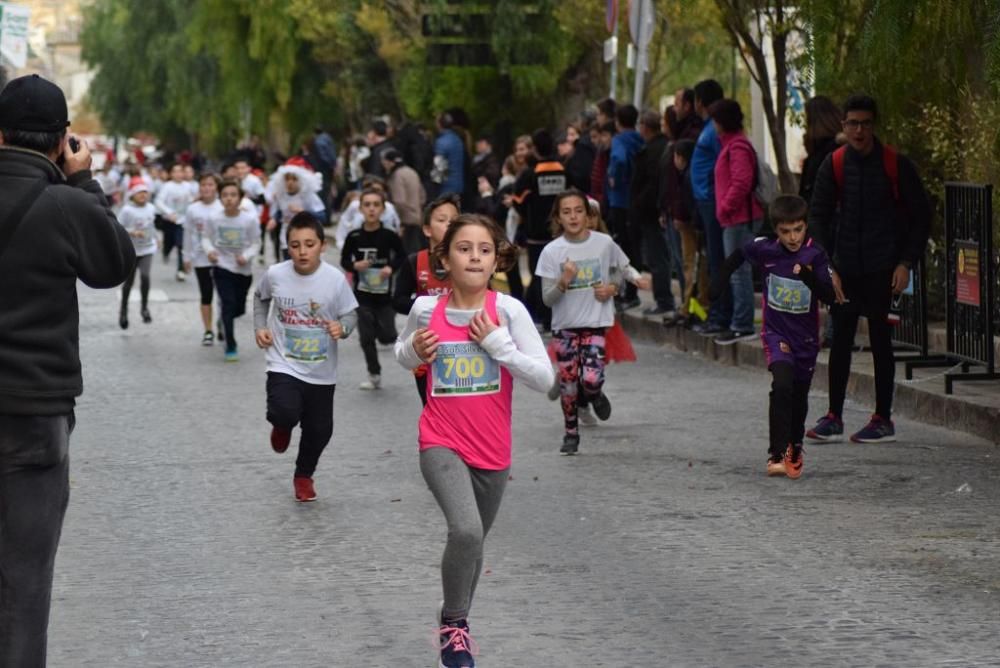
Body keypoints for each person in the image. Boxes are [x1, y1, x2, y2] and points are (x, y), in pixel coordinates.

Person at [0, 73, 135, 666]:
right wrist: (87, 185)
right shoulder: (65, 204)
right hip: (35, 414)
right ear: (62, 140)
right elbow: (113, 266)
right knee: (24, 584)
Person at [394, 214, 553, 668]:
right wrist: (415, 353)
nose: (475, 257)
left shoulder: (508, 312)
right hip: (440, 439)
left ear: (496, 258)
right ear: (444, 257)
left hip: (492, 450)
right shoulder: (427, 309)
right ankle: (455, 627)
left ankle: (453, 617)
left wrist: (500, 346)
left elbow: (544, 378)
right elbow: (402, 353)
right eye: (464, 248)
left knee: (475, 541)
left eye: (484, 249)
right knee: (464, 529)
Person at [806, 94, 931, 444]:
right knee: (841, 340)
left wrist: (906, 263)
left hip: (884, 269)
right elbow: (817, 215)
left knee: (881, 342)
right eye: (853, 123)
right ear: (844, 126)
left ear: (874, 126)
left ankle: (882, 417)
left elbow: (921, 217)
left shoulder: (895, 165)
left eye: (865, 123)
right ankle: (834, 415)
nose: (859, 130)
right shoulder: (834, 164)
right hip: (844, 269)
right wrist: (826, 264)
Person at [710, 195, 836, 478]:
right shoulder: (765, 250)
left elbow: (830, 296)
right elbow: (738, 255)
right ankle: (776, 453)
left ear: (806, 227)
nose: (792, 237)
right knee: (781, 385)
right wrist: (717, 284)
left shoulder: (816, 255)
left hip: (805, 338)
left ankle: (795, 446)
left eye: (798, 230)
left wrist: (810, 278)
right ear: (775, 230)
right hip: (776, 332)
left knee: (799, 393)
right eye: (785, 231)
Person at [254, 212, 358, 502]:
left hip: (322, 369)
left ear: (322, 246)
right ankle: (282, 424)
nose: (302, 251)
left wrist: (343, 327)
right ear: (287, 246)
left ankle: (304, 475)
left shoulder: (334, 280)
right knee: (284, 410)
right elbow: (260, 298)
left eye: (309, 244)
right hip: (283, 361)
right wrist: (260, 326)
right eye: (295, 245)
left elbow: (350, 312)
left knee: (320, 429)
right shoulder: (276, 273)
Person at [537, 189, 649, 455]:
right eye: (566, 212)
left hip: (595, 323)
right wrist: (564, 280)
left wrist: (613, 289)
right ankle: (571, 433)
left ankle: (595, 393)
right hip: (564, 326)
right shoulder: (552, 252)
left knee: (590, 378)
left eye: (578, 211)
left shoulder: (604, 243)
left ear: (588, 216)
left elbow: (620, 273)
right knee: (568, 382)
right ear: (558, 217)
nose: (573, 217)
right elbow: (547, 300)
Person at [392, 193, 461, 404]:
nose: (449, 225)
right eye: (442, 220)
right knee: (432, 405)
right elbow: (398, 300)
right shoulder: (415, 262)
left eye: (454, 221)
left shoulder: (470, 262)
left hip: (462, 347)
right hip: (427, 349)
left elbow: (488, 298)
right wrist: (429, 307)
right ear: (427, 229)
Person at [708, 98, 763, 344]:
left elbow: (742, 181)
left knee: (739, 271)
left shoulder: (737, 146)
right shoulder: (731, 144)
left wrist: (724, 208)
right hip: (734, 218)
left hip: (739, 219)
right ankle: (740, 322)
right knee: (737, 271)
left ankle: (742, 324)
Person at [340, 188, 406, 389]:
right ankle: (374, 373)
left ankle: (384, 332)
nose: (371, 209)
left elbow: (402, 256)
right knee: (366, 336)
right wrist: (354, 266)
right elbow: (344, 259)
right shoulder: (354, 236)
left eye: (376, 205)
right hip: (362, 295)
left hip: (384, 296)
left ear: (383, 209)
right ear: (360, 209)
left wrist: (390, 268)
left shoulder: (389, 235)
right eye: (367, 205)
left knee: (387, 336)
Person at [512, 129, 567, 329]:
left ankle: (543, 318)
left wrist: (528, 216)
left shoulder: (530, 174)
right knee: (560, 275)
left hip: (536, 235)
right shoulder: (563, 169)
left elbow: (517, 200)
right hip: (560, 233)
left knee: (540, 276)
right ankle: (558, 317)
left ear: (534, 149)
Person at [203, 179, 262, 362]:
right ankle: (230, 343)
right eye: (225, 195)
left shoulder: (249, 219)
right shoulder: (214, 218)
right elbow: (205, 238)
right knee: (227, 304)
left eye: (233, 195)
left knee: (238, 309)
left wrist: (246, 255)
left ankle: (223, 320)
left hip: (243, 270)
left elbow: (256, 243)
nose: (229, 199)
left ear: (240, 198)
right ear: (220, 198)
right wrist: (210, 251)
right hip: (222, 267)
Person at [689, 79, 728, 336]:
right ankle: (717, 313)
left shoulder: (714, 130)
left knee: (718, 261)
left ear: (700, 101)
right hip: (705, 200)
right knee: (712, 260)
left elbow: (722, 162)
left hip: (712, 201)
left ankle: (721, 316)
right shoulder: (708, 128)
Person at [630, 109, 674, 319]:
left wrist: (638, 204)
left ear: (644, 128)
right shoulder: (664, 147)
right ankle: (664, 299)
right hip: (659, 209)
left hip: (651, 212)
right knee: (662, 257)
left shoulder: (650, 151)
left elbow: (649, 183)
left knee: (658, 258)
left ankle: (664, 300)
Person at [607, 104, 643, 310]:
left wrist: (614, 177)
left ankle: (626, 293)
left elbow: (619, 160)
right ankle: (633, 290)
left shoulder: (619, 140)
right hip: (635, 197)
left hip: (620, 200)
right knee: (635, 246)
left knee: (622, 248)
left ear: (617, 122)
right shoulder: (639, 139)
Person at [670, 139, 710, 324]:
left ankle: (690, 307)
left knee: (691, 267)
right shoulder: (690, 175)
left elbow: (687, 204)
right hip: (694, 226)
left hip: (691, 227)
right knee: (696, 267)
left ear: (680, 157)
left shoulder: (687, 177)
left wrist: (684, 220)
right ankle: (693, 306)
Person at [182, 173, 225, 345]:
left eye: (210, 184)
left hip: (222, 259)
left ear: (216, 188)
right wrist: (186, 256)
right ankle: (208, 330)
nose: (206, 188)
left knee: (223, 295)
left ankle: (223, 321)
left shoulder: (222, 206)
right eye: (203, 185)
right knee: (206, 294)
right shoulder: (193, 209)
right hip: (201, 258)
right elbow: (188, 233)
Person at [265, 158, 326, 261]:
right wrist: (274, 219)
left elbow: (323, 217)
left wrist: (302, 212)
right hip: (286, 237)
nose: (290, 183)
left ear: (301, 180)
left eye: (294, 179)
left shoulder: (308, 196)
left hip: (306, 238)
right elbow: (281, 211)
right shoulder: (281, 195)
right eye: (287, 179)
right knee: (288, 265)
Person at [117, 178, 158, 329]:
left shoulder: (151, 208)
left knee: (145, 277)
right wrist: (132, 232)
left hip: (147, 249)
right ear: (132, 195)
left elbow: (152, 225)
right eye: (139, 193)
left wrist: (156, 238)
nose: (143, 195)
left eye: (145, 192)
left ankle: (144, 308)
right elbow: (118, 228)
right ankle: (123, 310)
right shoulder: (127, 210)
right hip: (131, 251)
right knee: (129, 282)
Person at [334, 175, 401, 249]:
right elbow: (343, 225)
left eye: (379, 190)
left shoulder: (389, 208)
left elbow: (396, 227)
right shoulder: (355, 205)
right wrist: (343, 246)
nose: (371, 209)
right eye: (372, 190)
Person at [382, 147, 427, 254]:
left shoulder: (397, 176)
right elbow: (423, 196)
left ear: (390, 162)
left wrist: (398, 222)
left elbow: (399, 200)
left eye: (384, 162)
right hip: (417, 216)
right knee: (416, 250)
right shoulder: (412, 172)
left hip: (405, 219)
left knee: (406, 252)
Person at [153, 162, 193, 281]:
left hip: (183, 221)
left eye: (180, 171)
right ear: (171, 174)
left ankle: (180, 270)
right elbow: (158, 201)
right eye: (175, 171)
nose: (178, 174)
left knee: (181, 244)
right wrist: (169, 213)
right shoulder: (167, 186)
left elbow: (190, 200)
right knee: (169, 242)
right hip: (169, 220)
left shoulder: (188, 186)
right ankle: (166, 251)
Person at [432, 111, 467, 198]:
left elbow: (439, 172)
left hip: (446, 187)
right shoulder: (458, 140)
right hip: (459, 184)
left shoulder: (441, 142)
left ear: (439, 125)